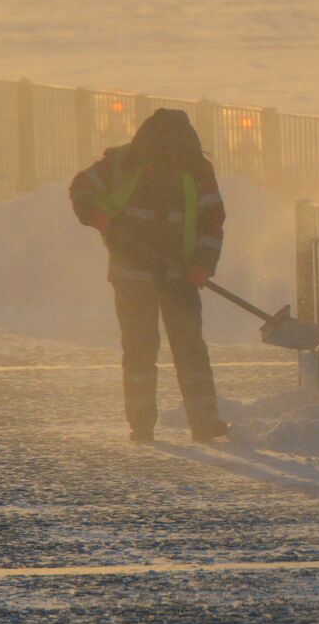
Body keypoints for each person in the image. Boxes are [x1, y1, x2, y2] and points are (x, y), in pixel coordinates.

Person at [69, 108, 230, 443]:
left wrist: (203, 263)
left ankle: (205, 422)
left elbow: (212, 221)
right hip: (132, 276)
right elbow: (81, 189)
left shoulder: (197, 171)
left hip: (180, 276)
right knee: (141, 349)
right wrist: (95, 215)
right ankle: (141, 425)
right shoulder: (122, 165)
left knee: (189, 349)